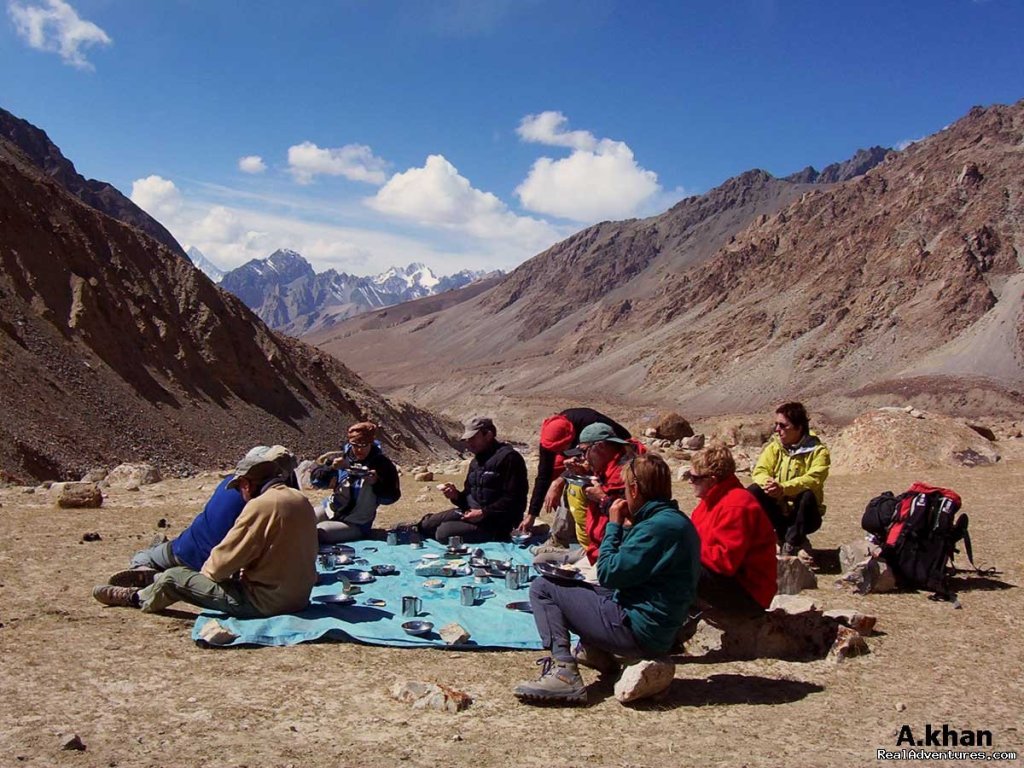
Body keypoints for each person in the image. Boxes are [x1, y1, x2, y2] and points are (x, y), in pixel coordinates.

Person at [513, 454, 700, 705]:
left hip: (639, 631)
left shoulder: (658, 528)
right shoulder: (672, 521)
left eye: (625, 488)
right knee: (584, 588)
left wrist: (615, 526)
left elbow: (609, 573)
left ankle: (564, 672)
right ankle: (597, 653)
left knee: (543, 588)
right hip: (660, 627)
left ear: (634, 489)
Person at [92, 446, 318, 617]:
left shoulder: (260, 506)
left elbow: (220, 565)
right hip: (300, 597)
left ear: (247, 485)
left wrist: (198, 581)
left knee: (174, 578)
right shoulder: (300, 499)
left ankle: (135, 597)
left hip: (268, 601)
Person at [686, 444, 777, 617]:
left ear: (712, 479)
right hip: (731, 581)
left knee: (679, 567)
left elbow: (724, 561)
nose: (690, 481)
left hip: (750, 595)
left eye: (694, 477)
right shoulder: (711, 501)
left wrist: (686, 546)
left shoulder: (736, 505)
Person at [519, 408, 631, 540]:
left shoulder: (590, 423)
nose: (560, 453)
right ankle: (566, 536)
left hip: (610, 463)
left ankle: (586, 539)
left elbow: (624, 441)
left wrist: (561, 480)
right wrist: (532, 514)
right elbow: (544, 474)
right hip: (591, 461)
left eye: (563, 449)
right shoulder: (550, 439)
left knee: (578, 490)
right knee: (569, 485)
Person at [415, 416, 528, 544]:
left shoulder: (509, 458)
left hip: (497, 522)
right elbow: (469, 497)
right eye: (467, 440)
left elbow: (515, 499)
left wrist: (483, 513)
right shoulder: (476, 462)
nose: (469, 444)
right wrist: (456, 495)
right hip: (471, 513)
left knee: (443, 533)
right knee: (426, 525)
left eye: (473, 438)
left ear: (488, 435)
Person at [749, 402, 831, 556]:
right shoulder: (775, 447)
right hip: (778, 509)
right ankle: (755, 538)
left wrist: (784, 488)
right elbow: (760, 471)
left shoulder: (819, 451)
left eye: (783, 426)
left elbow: (813, 479)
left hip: (805, 516)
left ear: (799, 427)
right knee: (753, 491)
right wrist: (770, 485)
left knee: (807, 495)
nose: (777, 430)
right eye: (776, 425)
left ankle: (792, 544)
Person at [309, 421, 401, 543]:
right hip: (330, 509)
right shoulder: (342, 457)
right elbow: (316, 482)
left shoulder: (383, 464)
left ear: (371, 443)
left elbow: (391, 497)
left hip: (357, 522)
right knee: (302, 521)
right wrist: (331, 469)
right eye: (355, 445)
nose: (359, 449)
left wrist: (376, 483)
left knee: (319, 533)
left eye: (364, 445)